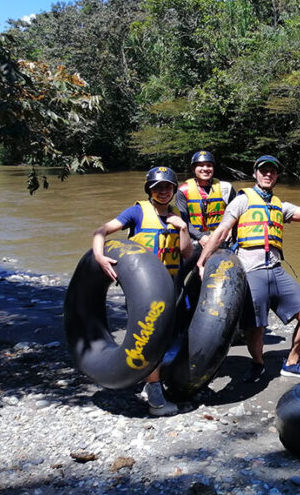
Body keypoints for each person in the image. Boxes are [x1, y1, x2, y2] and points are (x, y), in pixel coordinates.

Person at [196, 155, 300, 382]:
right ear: (255, 173)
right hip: (250, 271)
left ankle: (292, 363)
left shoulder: (281, 206)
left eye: (272, 171)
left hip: (276, 269)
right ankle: (257, 363)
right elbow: (220, 232)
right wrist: (202, 262)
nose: (268, 174)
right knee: (256, 327)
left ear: (277, 176)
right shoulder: (242, 200)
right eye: (264, 170)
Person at [92, 166, 193, 416]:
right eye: (157, 188)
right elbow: (101, 231)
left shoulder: (178, 214)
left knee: (166, 336)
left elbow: (187, 254)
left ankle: (152, 382)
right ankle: (156, 400)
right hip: (143, 290)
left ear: (173, 190)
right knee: (151, 337)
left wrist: (182, 229)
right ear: (149, 190)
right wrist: (100, 257)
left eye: (167, 187)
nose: (163, 192)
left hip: (171, 285)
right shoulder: (136, 212)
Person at [176, 150, 236, 249]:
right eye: (200, 165)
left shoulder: (226, 188)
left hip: (221, 236)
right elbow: (183, 220)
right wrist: (200, 237)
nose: (205, 169)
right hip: (195, 237)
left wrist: (230, 230)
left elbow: (236, 214)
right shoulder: (183, 191)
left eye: (209, 165)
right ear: (193, 168)